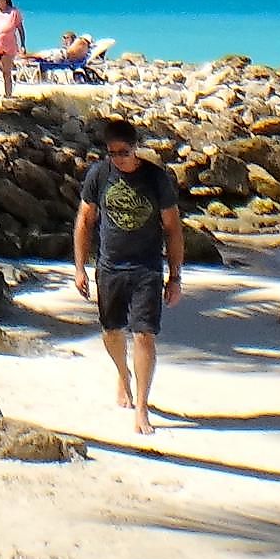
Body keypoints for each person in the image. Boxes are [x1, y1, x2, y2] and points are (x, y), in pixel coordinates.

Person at [73, 116, 184, 436]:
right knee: (111, 332)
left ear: (136, 149)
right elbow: (85, 220)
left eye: (123, 152)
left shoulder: (155, 178)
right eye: (112, 153)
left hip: (147, 268)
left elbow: (173, 228)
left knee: (145, 335)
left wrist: (175, 277)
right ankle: (124, 374)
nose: (118, 158)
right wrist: (80, 267)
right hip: (109, 266)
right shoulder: (99, 175)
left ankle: (143, 409)